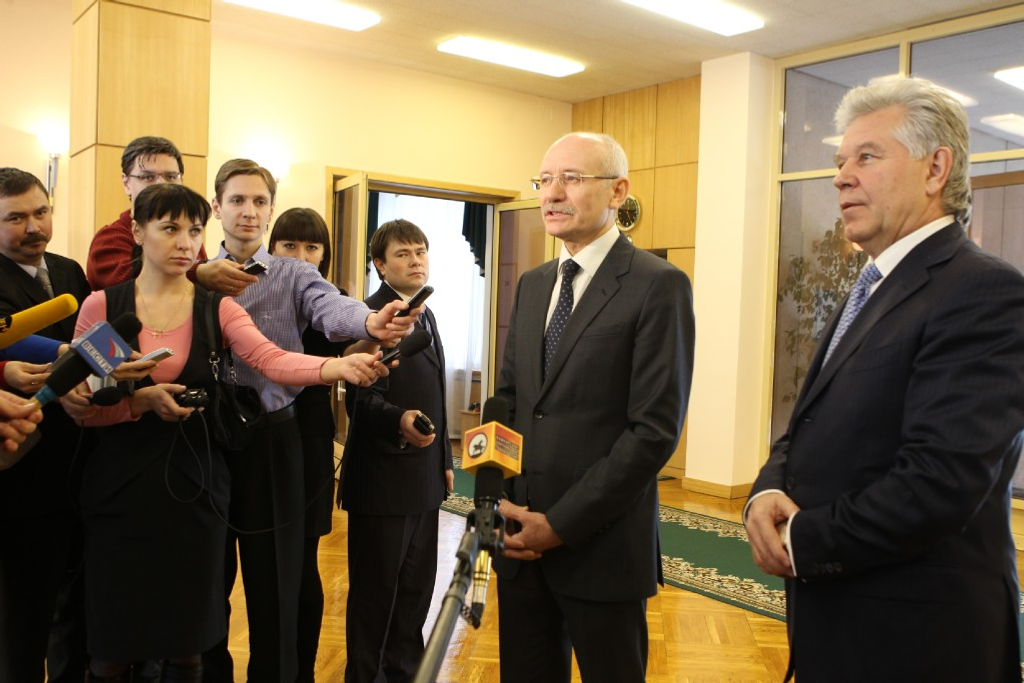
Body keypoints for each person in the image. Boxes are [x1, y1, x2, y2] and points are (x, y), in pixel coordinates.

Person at [745, 77, 1024, 683]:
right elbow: (810, 421)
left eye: (866, 157)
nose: (842, 178)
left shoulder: (984, 290)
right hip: (838, 620)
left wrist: (801, 538)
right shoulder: (872, 284)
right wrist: (766, 492)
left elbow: (939, 482)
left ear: (935, 169)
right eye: (839, 162)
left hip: (918, 637)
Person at [67, 182, 388, 683]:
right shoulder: (104, 308)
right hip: (121, 488)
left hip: (196, 481)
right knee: (112, 645)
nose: (184, 242)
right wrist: (138, 403)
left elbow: (271, 359)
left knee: (189, 644)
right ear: (138, 232)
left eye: (193, 231)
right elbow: (83, 407)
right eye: (170, 228)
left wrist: (335, 368)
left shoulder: (215, 306)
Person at [202, 160, 420, 683]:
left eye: (259, 201)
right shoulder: (194, 275)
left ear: (270, 209)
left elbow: (332, 309)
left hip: (273, 439)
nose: (249, 211)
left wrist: (370, 320)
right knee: (206, 579)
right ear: (217, 208)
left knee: (279, 580)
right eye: (237, 200)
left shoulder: (294, 274)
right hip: (205, 442)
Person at [493, 133, 694, 683]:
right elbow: (509, 401)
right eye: (545, 180)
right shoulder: (533, 284)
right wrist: (499, 500)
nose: (552, 193)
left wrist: (559, 525)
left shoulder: (658, 285)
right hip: (520, 546)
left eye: (572, 179)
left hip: (602, 549)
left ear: (618, 192)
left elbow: (653, 431)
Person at [339, 219, 454, 683]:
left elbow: (437, 393)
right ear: (379, 264)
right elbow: (359, 399)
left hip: (425, 479)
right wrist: (399, 421)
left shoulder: (426, 312)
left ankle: (405, 673)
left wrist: (445, 461)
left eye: (421, 251)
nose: (416, 261)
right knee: (376, 597)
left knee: (415, 594)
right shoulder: (368, 315)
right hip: (382, 481)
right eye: (403, 254)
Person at [0, 167, 94, 683]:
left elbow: (96, 335)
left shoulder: (68, 270)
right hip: (23, 468)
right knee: (23, 615)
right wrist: (73, 356)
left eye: (41, 212)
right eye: (16, 218)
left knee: (76, 611)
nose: (34, 226)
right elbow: (21, 343)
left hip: (82, 461)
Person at [266, 208, 348, 682]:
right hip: (257, 439)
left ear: (324, 254)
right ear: (271, 249)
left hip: (311, 440)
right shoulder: (252, 297)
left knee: (303, 563)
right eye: (289, 246)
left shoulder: (330, 304)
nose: (300, 256)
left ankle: (302, 673)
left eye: (311, 247)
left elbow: (351, 334)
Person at [86, 136, 252, 297]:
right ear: (126, 183)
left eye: (170, 177)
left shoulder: (189, 235)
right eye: (148, 177)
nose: (161, 185)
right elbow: (135, 285)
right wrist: (199, 274)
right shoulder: (110, 239)